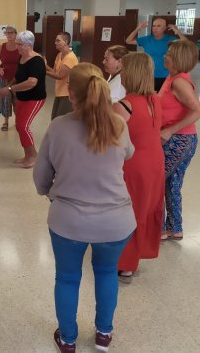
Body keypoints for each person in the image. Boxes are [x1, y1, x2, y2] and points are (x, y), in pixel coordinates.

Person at [33, 63, 135, 353]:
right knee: (105, 272)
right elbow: (129, 153)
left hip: (68, 221)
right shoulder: (119, 124)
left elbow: (41, 178)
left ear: (72, 96)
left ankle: (67, 339)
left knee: (67, 277)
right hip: (116, 222)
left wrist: (49, 193)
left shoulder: (58, 127)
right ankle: (104, 335)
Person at [113, 53, 164, 283]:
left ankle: (125, 263)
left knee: (128, 211)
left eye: (123, 69)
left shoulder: (124, 105)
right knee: (145, 208)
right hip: (155, 162)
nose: (120, 73)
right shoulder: (156, 100)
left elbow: (109, 139)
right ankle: (138, 253)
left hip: (134, 165)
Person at [159, 40, 200, 241]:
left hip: (179, 140)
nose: (164, 56)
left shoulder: (179, 81)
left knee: (156, 182)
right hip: (185, 139)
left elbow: (198, 110)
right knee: (171, 184)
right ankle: (174, 228)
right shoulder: (172, 78)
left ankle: (159, 229)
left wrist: (170, 130)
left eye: (169, 53)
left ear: (178, 58)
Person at [0, 30, 46, 168]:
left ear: (28, 45)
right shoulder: (22, 57)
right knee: (20, 126)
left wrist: (9, 89)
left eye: (19, 44)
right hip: (22, 97)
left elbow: (32, 82)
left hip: (35, 98)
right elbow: (19, 76)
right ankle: (27, 155)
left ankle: (33, 156)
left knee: (23, 126)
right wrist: (10, 84)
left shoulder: (36, 60)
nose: (17, 46)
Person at [125, 18, 186, 91]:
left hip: (165, 75)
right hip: (148, 75)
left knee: (162, 99)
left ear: (164, 28)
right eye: (154, 26)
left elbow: (186, 44)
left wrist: (178, 32)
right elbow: (128, 41)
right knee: (149, 98)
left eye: (158, 26)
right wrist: (137, 29)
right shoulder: (147, 39)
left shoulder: (170, 39)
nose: (155, 28)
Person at [46, 31, 78, 120]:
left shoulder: (70, 58)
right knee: (54, 119)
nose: (55, 43)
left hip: (67, 94)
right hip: (59, 93)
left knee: (61, 120)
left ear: (66, 42)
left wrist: (43, 71)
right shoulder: (59, 55)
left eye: (58, 41)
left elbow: (60, 76)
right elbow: (55, 71)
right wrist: (45, 66)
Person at [0, 25, 20, 131]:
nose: (9, 35)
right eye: (7, 33)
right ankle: (5, 122)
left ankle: (18, 122)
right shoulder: (1, 47)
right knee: (5, 100)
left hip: (17, 78)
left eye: (11, 32)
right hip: (4, 78)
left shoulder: (20, 46)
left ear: (15, 34)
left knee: (17, 100)